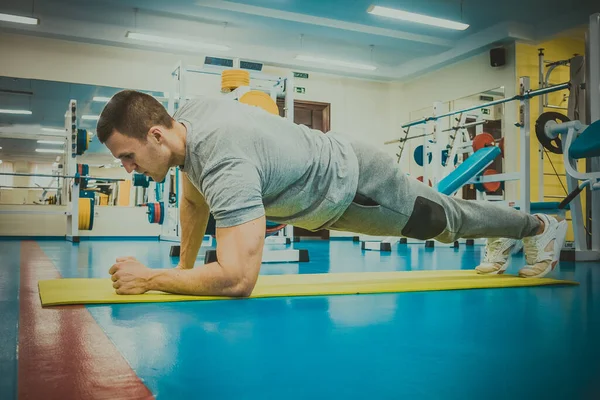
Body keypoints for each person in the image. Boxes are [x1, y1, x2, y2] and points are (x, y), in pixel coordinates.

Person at [97, 90, 568, 297]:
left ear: (157, 135)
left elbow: (237, 280)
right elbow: (193, 198)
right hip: (338, 181)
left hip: (359, 188)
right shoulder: (188, 117)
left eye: (127, 156)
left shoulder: (224, 159)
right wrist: (181, 270)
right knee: (448, 220)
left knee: (447, 222)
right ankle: (508, 234)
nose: (128, 168)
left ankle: (538, 226)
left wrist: (154, 278)